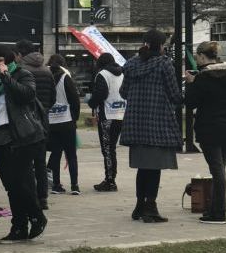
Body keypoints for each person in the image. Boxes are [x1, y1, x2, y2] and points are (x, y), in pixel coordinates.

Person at [0, 44, 47, 244]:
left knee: (21, 183)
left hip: (21, 137)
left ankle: (36, 216)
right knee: (11, 185)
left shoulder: (22, 75)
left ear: (9, 61)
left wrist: (6, 78)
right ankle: (19, 226)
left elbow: (26, 95)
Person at [119, 29, 182, 223]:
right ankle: (150, 208)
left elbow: (123, 92)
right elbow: (174, 95)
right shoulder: (165, 65)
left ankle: (139, 206)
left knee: (143, 167)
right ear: (161, 45)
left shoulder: (131, 65)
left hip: (136, 124)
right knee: (154, 168)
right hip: (157, 123)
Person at [184, 41, 226, 224]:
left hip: (210, 127)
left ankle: (219, 213)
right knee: (220, 167)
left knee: (217, 170)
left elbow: (190, 103)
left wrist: (191, 83)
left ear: (201, 56)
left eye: (198, 57)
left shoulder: (203, 78)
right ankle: (215, 208)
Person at [14, 40, 55, 211]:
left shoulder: (22, 71)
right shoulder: (47, 70)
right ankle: (43, 197)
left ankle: (30, 197)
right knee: (40, 161)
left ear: (20, 54)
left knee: (25, 163)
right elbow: (52, 97)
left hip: (25, 120)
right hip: (43, 120)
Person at [88, 53, 126, 192]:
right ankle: (110, 178)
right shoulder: (122, 73)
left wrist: (91, 103)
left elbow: (100, 94)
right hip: (121, 114)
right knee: (112, 148)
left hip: (107, 116)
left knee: (107, 150)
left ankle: (110, 181)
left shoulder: (102, 74)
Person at [46, 54, 81, 195]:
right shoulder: (66, 78)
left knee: (56, 153)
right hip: (66, 121)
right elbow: (75, 99)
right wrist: (74, 118)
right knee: (71, 154)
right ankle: (74, 186)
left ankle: (56, 185)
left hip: (51, 122)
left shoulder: (46, 78)